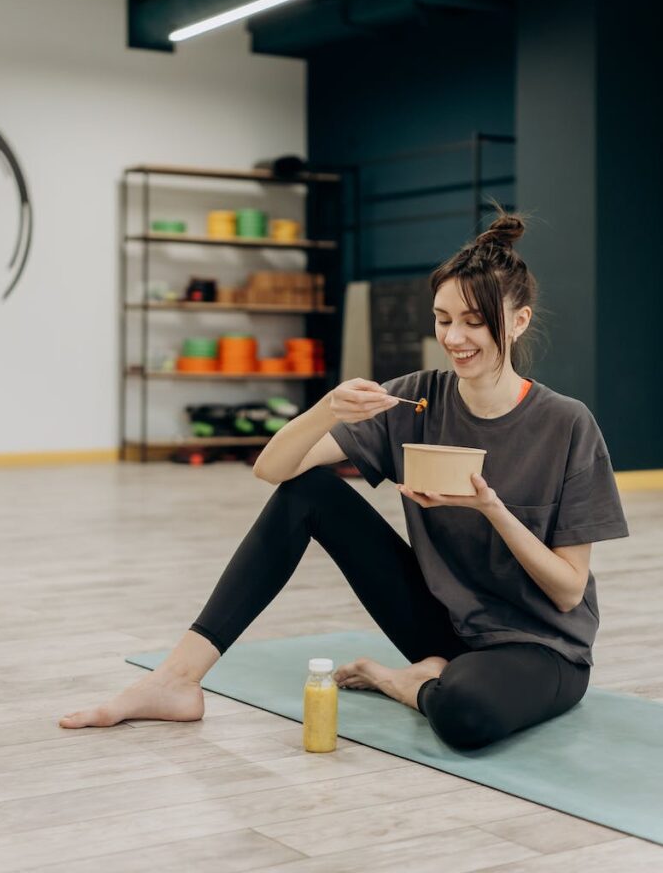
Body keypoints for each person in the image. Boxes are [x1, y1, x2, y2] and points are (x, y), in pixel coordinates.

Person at [60, 209, 629, 750]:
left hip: (539, 648)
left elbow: (567, 590)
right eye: (443, 319)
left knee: (464, 715)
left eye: (474, 322)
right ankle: (177, 679)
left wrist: (491, 509)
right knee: (309, 492)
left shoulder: (567, 424)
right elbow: (272, 469)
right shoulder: (416, 398)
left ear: (519, 320)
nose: (455, 337)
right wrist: (326, 407)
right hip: (444, 625)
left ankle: (405, 682)